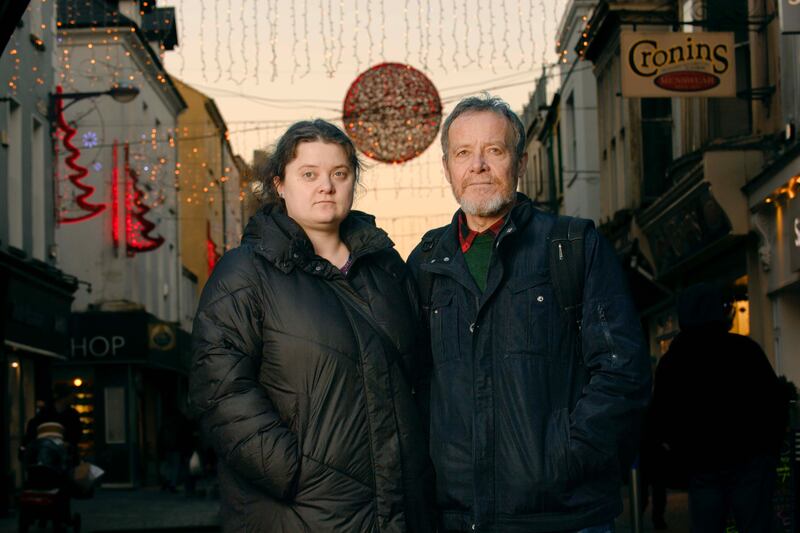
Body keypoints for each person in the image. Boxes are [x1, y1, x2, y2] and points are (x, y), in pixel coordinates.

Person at [408, 94, 651, 533]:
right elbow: (412, 385)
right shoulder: (425, 263)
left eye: (494, 150)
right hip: (459, 520)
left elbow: (623, 372)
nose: (478, 165)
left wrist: (565, 458)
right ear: (447, 169)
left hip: (565, 517)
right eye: (463, 153)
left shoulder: (573, 246)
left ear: (519, 164)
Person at [189, 119, 433, 532]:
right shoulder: (244, 272)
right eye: (309, 174)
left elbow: (420, 376)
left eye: (340, 173)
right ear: (280, 184)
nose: (327, 186)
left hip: (401, 508)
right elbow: (219, 388)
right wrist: (293, 473)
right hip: (298, 512)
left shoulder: (387, 268)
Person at [651, 283, 784, 533]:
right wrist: (769, 452)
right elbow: (773, 402)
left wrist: (679, 453)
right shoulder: (745, 350)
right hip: (750, 461)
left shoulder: (674, 361)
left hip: (702, 464)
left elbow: (662, 417)